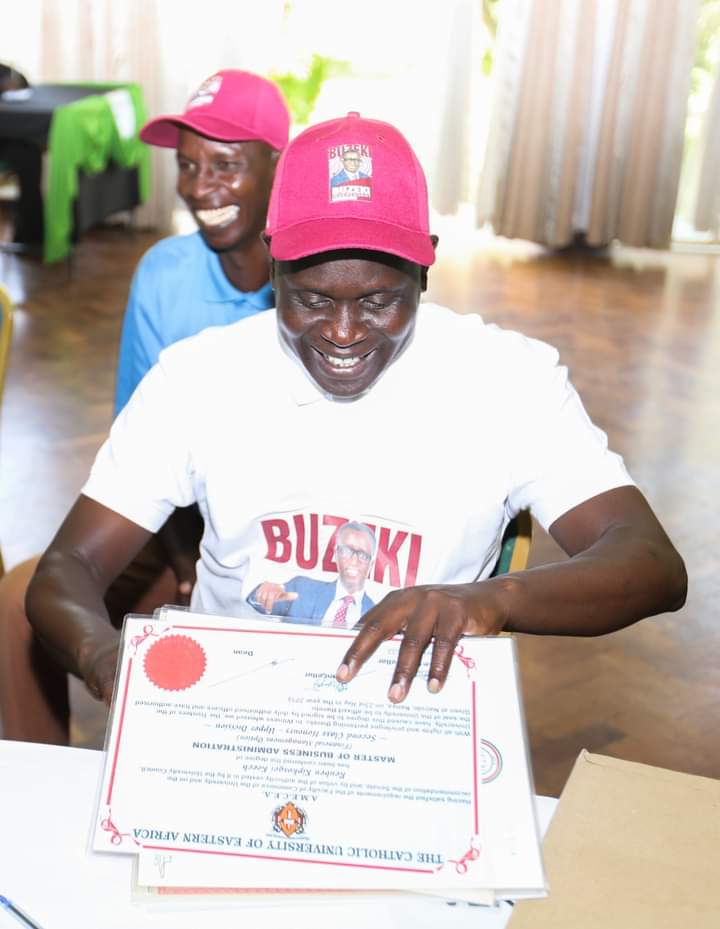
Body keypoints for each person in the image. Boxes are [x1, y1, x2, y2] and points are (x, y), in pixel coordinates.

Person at [25, 111, 686, 719]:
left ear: (425, 267)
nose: (342, 333)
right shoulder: (197, 377)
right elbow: (66, 568)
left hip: (408, 727)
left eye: (378, 301)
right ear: (273, 265)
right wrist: (110, 659)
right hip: (230, 717)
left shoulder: (509, 382)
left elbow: (650, 561)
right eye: (310, 298)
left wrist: (488, 600)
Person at [0, 70, 290, 745]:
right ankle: (44, 792)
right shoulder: (165, 274)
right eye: (188, 166)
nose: (199, 187)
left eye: (225, 164)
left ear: (279, 164)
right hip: (179, 526)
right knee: (19, 606)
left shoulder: (318, 286)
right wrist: (184, 555)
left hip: (283, 539)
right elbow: (139, 445)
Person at [247, 521, 376, 625]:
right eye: (347, 551)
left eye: (363, 555)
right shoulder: (301, 589)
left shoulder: (380, 615)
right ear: (336, 554)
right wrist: (262, 595)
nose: (354, 561)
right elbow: (256, 607)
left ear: (371, 564)